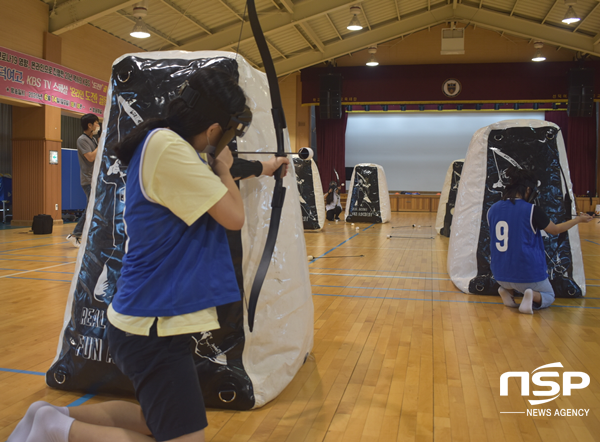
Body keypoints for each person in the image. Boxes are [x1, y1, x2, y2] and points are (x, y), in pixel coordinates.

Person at [9, 67, 288, 442]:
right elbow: (233, 216)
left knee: (157, 422)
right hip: (151, 326)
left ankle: (52, 416)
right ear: (213, 130)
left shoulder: (167, 145)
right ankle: (56, 431)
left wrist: (260, 167)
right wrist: (221, 165)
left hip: (148, 322)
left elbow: (221, 178)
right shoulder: (171, 150)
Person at [487, 166, 592, 314]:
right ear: (528, 189)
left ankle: (507, 292)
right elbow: (554, 230)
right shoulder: (531, 209)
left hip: (499, 273)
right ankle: (531, 296)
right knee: (549, 295)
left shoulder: (492, 209)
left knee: (511, 279)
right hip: (526, 274)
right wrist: (579, 220)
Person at [66, 113, 100, 248]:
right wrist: (102, 142)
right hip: (88, 180)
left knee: (95, 207)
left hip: (96, 178)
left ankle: (86, 235)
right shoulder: (82, 140)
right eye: (96, 123)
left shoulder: (94, 140)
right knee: (92, 208)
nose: (98, 125)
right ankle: (75, 234)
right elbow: (90, 157)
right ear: (89, 125)